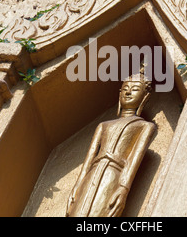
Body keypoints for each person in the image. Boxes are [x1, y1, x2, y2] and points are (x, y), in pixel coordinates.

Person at [66, 72, 156, 217]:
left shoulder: (145, 126)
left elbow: (133, 161)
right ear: (119, 93)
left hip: (113, 175)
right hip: (92, 175)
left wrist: (123, 188)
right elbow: (88, 161)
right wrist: (77, 186)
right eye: (126, 88)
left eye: (135, 89)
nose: (128, 92)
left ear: (145, 97)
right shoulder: (103, 125)